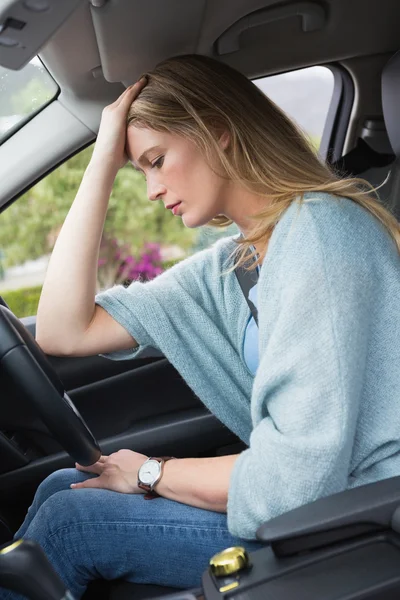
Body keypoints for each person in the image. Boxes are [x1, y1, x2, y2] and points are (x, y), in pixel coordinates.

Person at [3, 54, 400, 599]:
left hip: (359, 513)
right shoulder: (230, 266)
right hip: (309, 498)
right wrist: (101, 159)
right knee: (62, 484)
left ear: (219, 134)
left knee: (73, 521)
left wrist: (151, 473)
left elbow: (295, 480)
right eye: (139, 169)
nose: (150, 190)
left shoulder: (324, 236)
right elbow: (62, 331)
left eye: (158, 160)